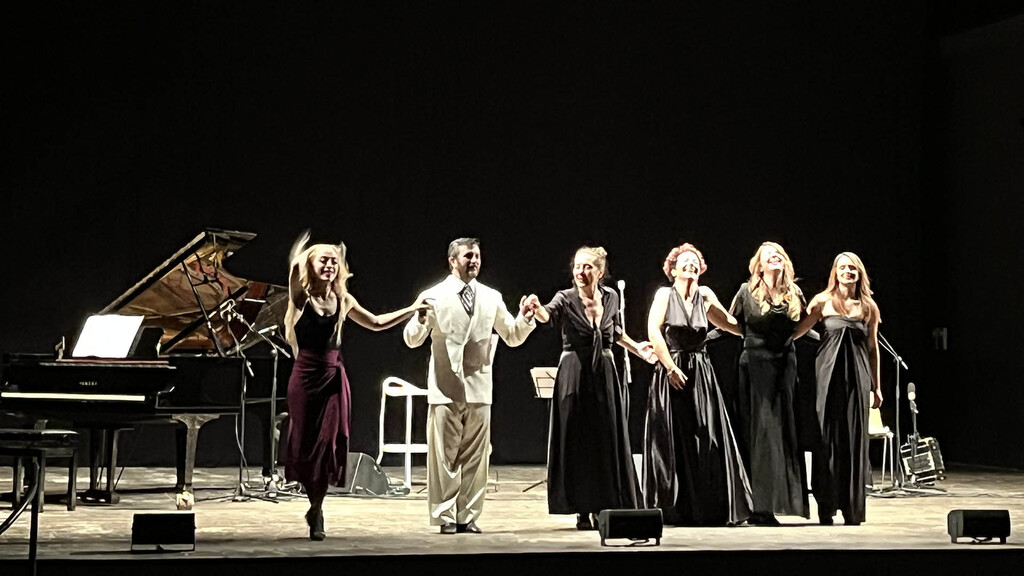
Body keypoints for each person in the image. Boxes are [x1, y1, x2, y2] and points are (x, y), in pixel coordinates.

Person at [280, 230, 428, 541]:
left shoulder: (343, 299)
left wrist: (412, 309)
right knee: (306, 445)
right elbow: (294, 273)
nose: (330, 266)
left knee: (330, 441)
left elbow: (376, 323)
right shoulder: (301, 297)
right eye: (324, 261)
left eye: (334, 261)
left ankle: (317, 509)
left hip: (334, 378)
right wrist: (302, 255)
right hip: (305, 378)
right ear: (311, 265)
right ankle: (312, 497)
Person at [403, 237, 537, 534]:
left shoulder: (491, 296)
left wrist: (525, 318)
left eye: (477, 256)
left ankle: (468, 516)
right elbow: (412, 340)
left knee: (477, 456)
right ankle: (445, 516)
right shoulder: (433, 295)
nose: (474, 260)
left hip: (479, 386)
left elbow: (512, 335)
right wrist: (419, 319)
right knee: (444, 457)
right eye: (468, 256)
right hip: (445, 387)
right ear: (453, 260)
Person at [529, 246, 655, 530]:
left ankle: (603, 503)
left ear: (600, 272)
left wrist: (637, 349)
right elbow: (547, 315)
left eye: (587, 267)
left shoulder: (611, 297)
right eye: (577, 266)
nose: (580, 271)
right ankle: (581, 508)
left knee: (604, 437)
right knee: (577, 438)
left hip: (604, 373)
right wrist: (537, 309)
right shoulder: (565, 297)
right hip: (574, 371)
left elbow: (616, 331)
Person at [643, 243, 753, 526]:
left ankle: (708, 507)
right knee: (674, 436)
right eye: (684, 261)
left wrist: (759, 322)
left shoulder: (705, 295)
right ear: (673, 269)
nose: (690, 264)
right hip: (673, 368)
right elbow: (654, 331)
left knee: (706, 435)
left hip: (701, 372)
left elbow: (729, 323)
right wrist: (670, 367)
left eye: (695, 261)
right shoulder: (664, 294)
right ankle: (675, 508)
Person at [794, 252, 882, 526]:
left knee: (854, 440)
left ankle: (852, 508)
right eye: (843, 267)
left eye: (853, 268)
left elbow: (872, 348)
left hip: (857, 377)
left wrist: (876, 387)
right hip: (827, 376)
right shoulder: (822, 301)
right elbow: (798, 332)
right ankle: (827, 506)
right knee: (826, 438)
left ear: (859, 273)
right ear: (835, 272)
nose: (848, 271)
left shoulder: (868, 306)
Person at [728, 241, 810, 524]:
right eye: (768, 256)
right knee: (760, 432)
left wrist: (787, 342)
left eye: (778, 254)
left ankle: (775, 503)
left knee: (780, 432)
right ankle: (758, 506)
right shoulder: (746, 291)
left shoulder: (794, 293)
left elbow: (803, 325)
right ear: (759, 266)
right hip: (755, 366)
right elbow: (731, 323)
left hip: (784, 366)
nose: (775, 257)